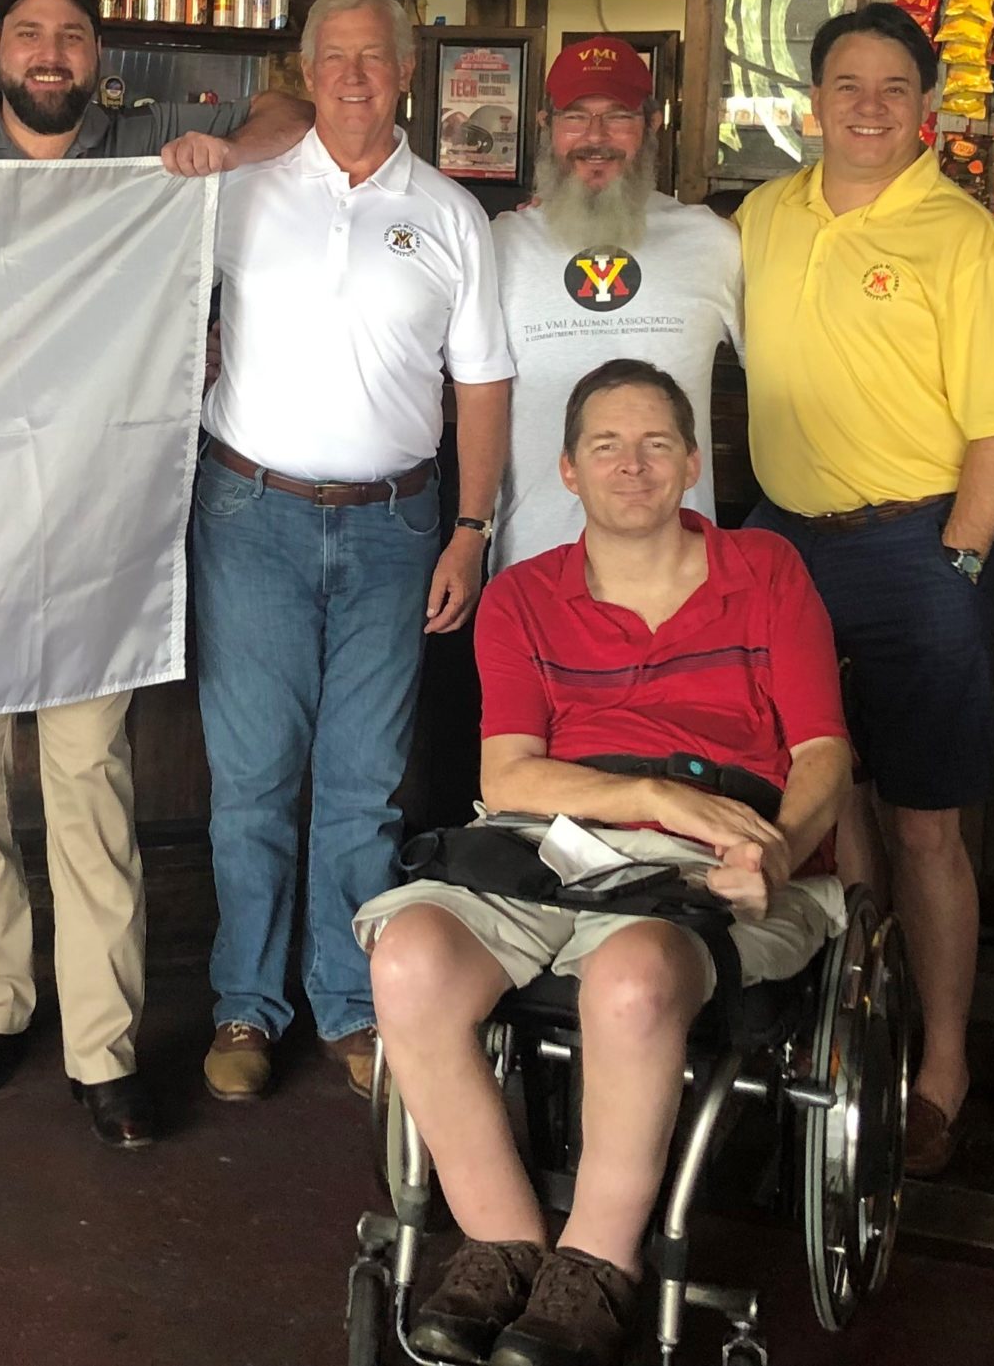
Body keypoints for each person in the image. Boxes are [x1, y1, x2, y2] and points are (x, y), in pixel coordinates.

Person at [0, 0, 312, 1149]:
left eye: (71, 34)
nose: (51, 54)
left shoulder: (149, 154)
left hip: (93, 519)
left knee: (88, 782)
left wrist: (219, 154)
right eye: (30, 33)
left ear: (100, 58)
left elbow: (294, 113)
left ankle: (102, 1047)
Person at [358, 359, 849, 1366]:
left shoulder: (766, 573)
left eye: (657, 444)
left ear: (694, 465)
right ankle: (504, 1243)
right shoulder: (523, 598)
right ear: (568, 472)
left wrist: (781, 852)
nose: (633, 466)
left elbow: (820, 755)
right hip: (553, 850)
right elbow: (511, 775)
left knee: (630, 980)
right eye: (607, 447)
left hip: (725, 854)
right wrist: (653, 797)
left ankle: (596, 1267)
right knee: (406, 955)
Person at [730, 2, 994, 1176]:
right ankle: (855, 1024)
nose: (868, 106)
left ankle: (944, 1066)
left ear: (929, 109)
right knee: (820, 794)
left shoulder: (967, 241)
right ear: (813, 105)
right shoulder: (763, 216)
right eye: (847, 85)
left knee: (926, 823)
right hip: (783, 548)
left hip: (920, 544)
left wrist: (956, 560)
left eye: (893, 88)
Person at [197, 0, 514, 1103]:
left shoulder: (453, 216)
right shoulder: (237, 194)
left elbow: (483, 386)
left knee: (363, 789)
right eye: (332, 57)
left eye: (373, 57)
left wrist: (473, 529)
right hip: (250, 517)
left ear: (407, 71)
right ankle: (245, 1005)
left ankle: (347, 1004)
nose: (352, 75)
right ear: (304, 69)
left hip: (397, 526)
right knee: (249, 781)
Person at [487, 36, 738, 573]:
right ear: (545, 125)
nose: (595, 138)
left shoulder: (713, 242)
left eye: (618, 117)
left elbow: (789, 372)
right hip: (534, 565)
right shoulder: (498, 245)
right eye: (575, 117)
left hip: (680, 571)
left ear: (650, 126)